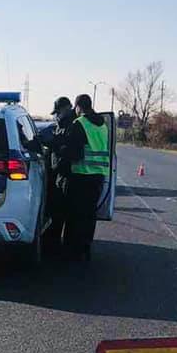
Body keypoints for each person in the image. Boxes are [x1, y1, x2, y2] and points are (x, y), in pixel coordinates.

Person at [60, 94, 109, 260]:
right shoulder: (103, 125)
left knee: (74, 215)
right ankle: (85, 247)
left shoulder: (79, 123)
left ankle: (72, 250)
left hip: (81, 176)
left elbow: (74, 153)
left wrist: (60, 154)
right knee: (89, 214)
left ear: (78, 107)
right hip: (98, 177)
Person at [44, 96, 77, 251]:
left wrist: (51, 143)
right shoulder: (61, 124)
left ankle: (57, 245)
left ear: (67, 108)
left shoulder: (73, 125)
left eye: (58, 111)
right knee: (57, 211)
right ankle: (56, 243)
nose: (57, 115)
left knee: (60, 212)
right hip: (60, 173)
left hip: (67, 174)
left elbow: (67, 149)